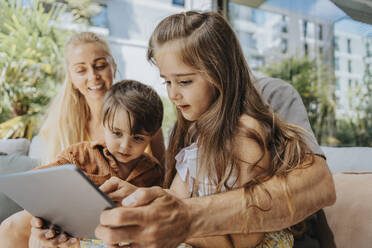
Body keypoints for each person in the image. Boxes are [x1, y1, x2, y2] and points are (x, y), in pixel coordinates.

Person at [93, 11, 336, 248]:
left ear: (219, 72)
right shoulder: (190, 130)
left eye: (185, 81)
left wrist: (185, 223)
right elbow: (179, 199)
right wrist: (140, 203)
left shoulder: (254, 121)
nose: (172, 94)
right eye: (166, 81)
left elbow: (248, 235)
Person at [0, 80, 164, 248]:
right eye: (116, 133)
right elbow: (37, 179)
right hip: (74, 235)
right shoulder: (79, 155)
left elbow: (156, 216)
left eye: (138, 138)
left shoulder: (153, 170)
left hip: (120, 237)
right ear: (103, 124)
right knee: (12, 226)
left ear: (151, 137)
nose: (125, 145)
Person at [28, 31, 165, 166]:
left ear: (114, 68)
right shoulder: (59, 127)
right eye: (81, 70)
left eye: (100, 66)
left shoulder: (143, 115)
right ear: (71, 78)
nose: (93, 76)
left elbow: (163, 174)